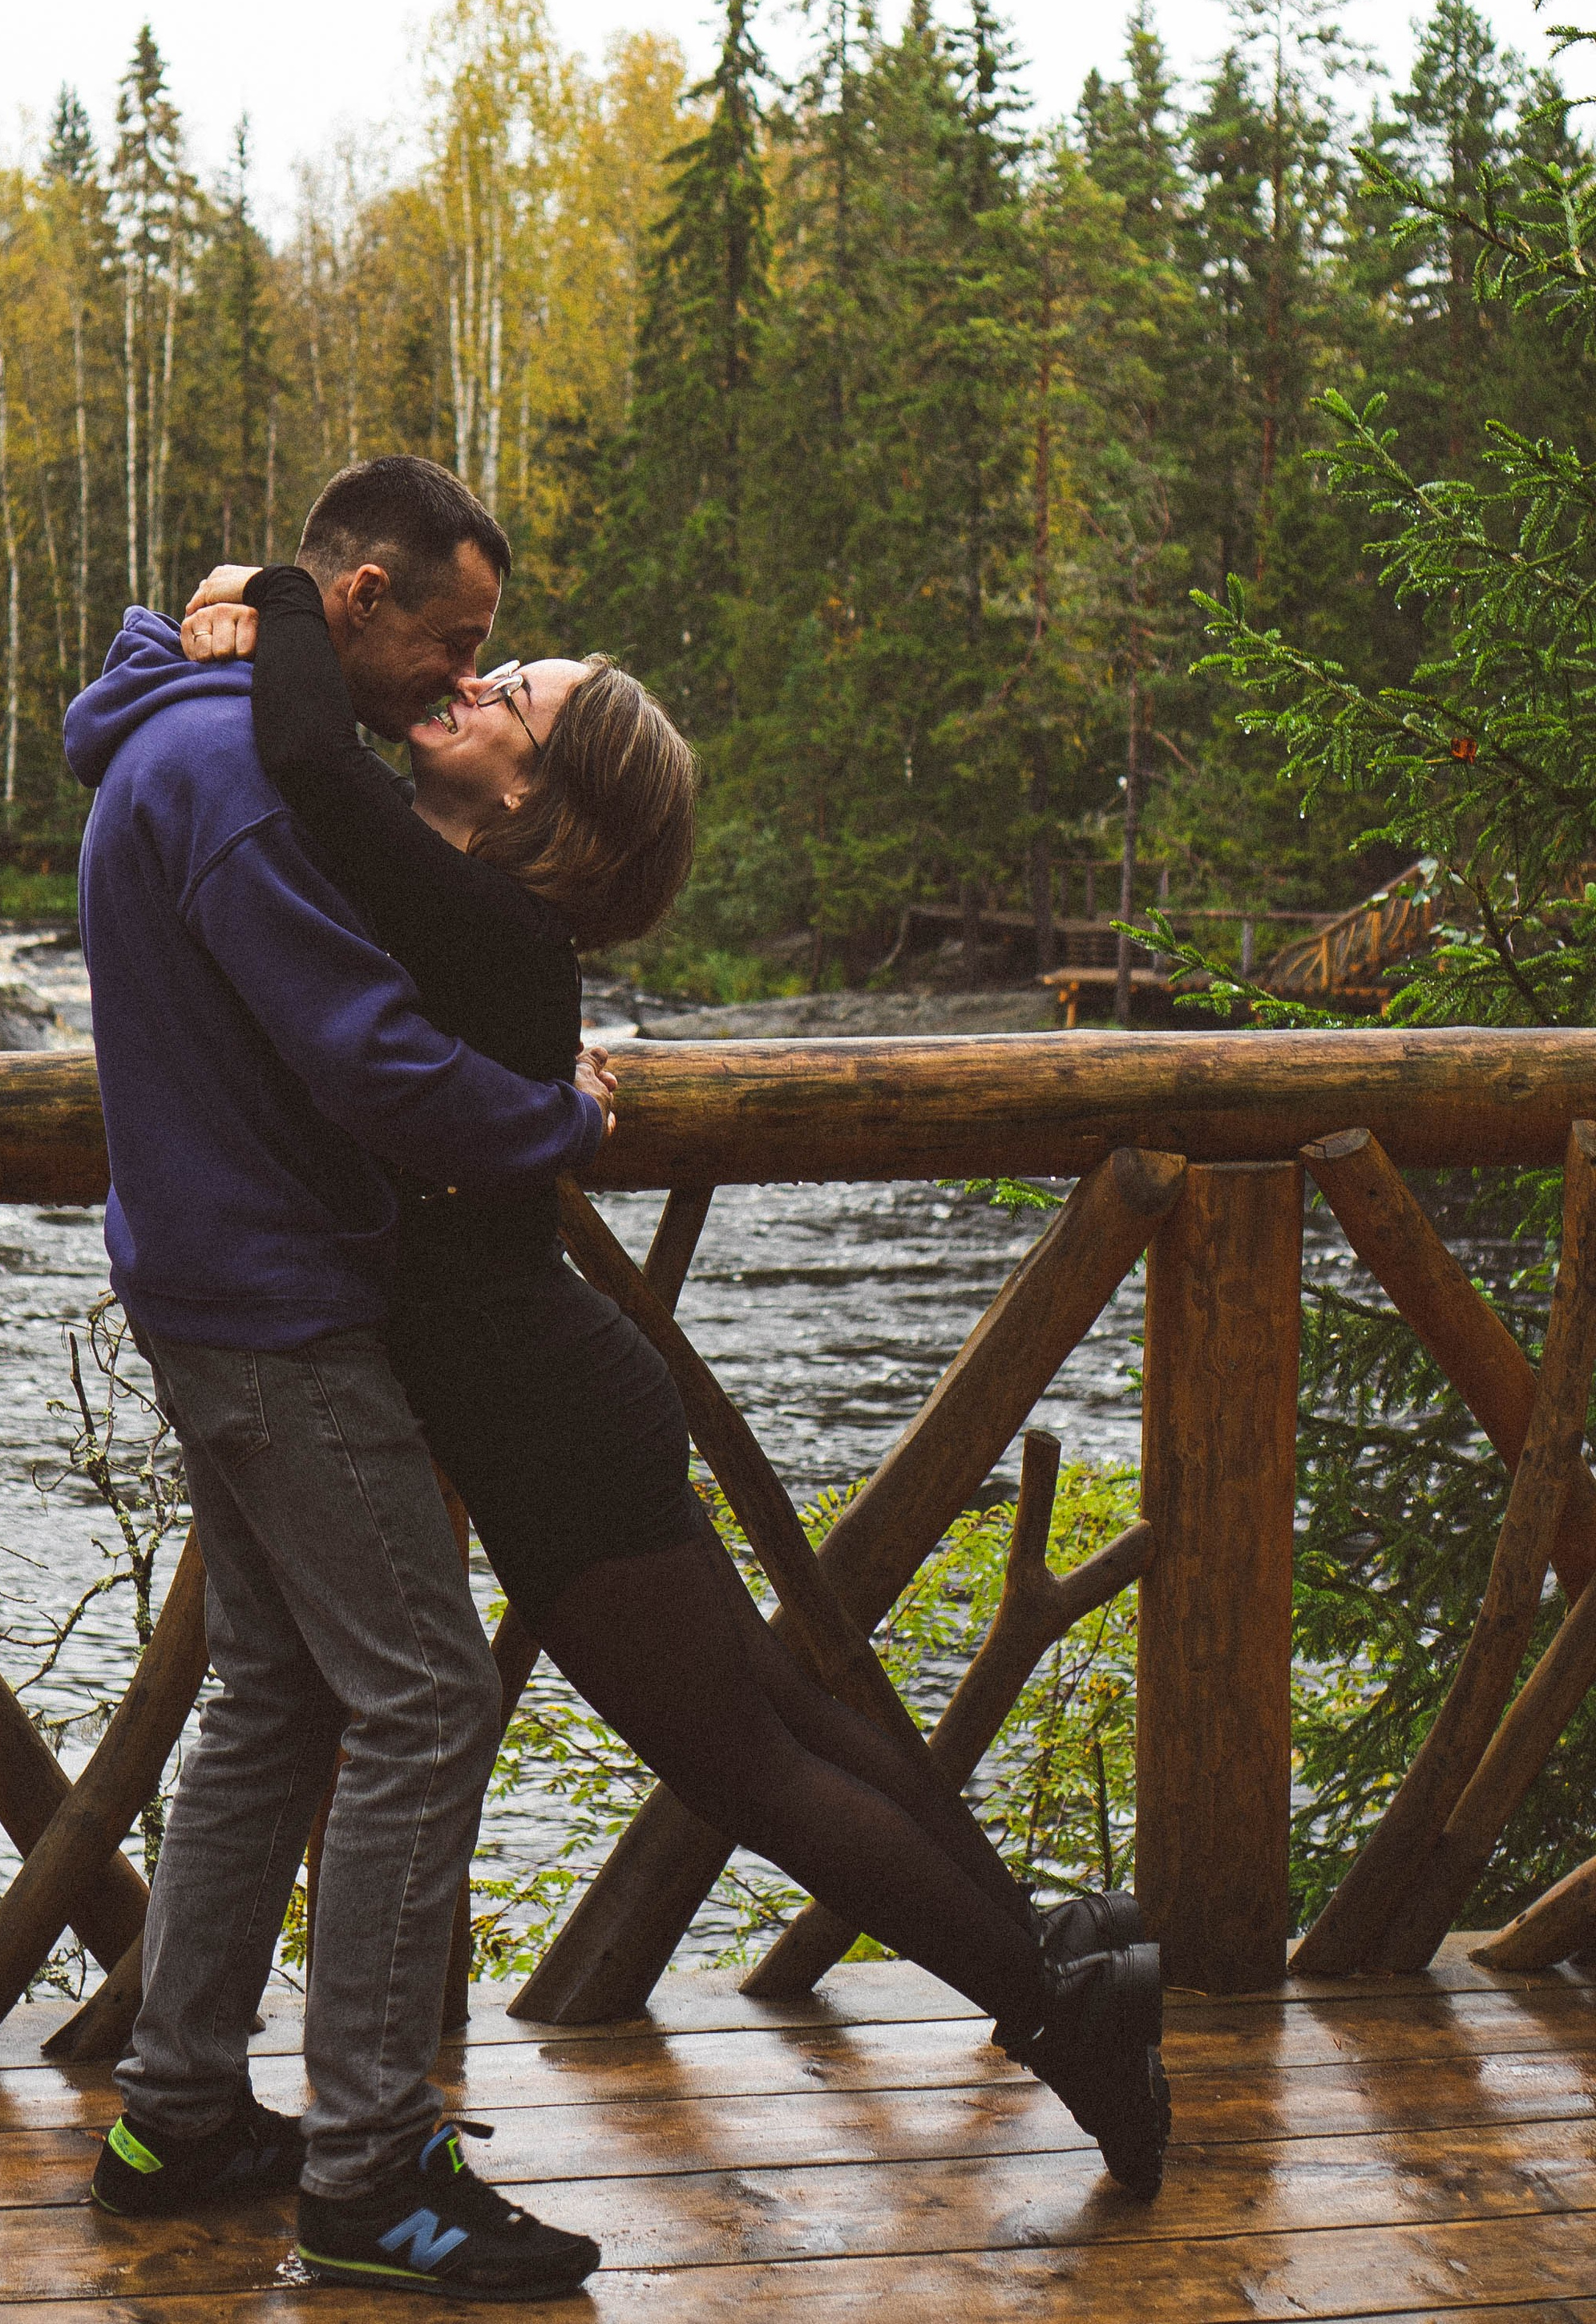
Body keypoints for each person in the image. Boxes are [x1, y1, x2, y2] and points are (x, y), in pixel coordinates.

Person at [180, 552, 1171, 2198]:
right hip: (551, 1387)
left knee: (746, 1763)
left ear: (534, 793)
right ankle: (1056, 1955)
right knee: (778, 1714)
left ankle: (1056, 2007)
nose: (473, 686)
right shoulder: (477, 921)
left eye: (513, 693)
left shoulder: (479, 917)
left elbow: (298, 754)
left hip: (539, 1408)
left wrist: (278, 590)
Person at [64, 455, 615, 2298]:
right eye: (453, 639)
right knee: (427, 1694)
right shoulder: (237, 775)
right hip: (276, 1301)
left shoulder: (184, 729)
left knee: (275, 1690)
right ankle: (374, 2172)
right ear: (359, 599)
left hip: (204, 1273)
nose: (460, 676)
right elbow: (370, 1059)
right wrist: (557, 1120)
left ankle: (176, 2113)